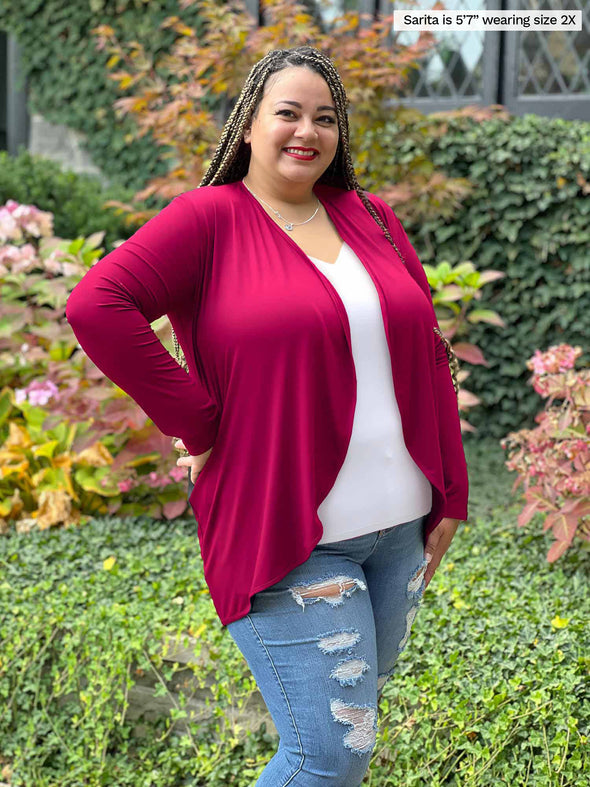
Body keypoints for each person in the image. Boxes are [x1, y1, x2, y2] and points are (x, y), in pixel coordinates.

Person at [66, 45, 468, 787]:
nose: (306, 131)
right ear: (248, 125)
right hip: (291, 540)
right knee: (326, 756)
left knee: (347, 745)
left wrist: (453, 491)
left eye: (325, 117)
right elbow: (96, 306)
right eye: (287, 112)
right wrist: (198, 420)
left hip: (399, 538)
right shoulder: (207, 221)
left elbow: (427, 352)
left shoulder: (372, 217)